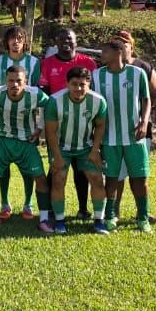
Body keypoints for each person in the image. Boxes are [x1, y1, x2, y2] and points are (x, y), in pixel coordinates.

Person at [93, 38, 153, 233]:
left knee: (140, 178)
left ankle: (143, 218)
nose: (102, 55)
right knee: (111, 178)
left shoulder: (137, 73)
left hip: (135, 137)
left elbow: (146, 99)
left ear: (118, 53)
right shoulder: (97, 75)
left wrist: (144, 122)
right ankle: (110, 216)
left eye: (105, 51)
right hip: (109, 138)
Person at [0, 65, 50, 231]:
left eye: (19, 81)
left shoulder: (36, 94)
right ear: (6, 81)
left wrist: (39, 129)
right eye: (11, 80)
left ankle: (44, 219)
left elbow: (48, 107)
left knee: (40, 178)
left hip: (25, 142)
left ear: (25, 81)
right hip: (0, 141)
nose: (15, 85)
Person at [39, 28, 98, 218]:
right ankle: (49, 209)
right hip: (57, 124)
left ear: (76, 41)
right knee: (56, 167)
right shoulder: (47, 63)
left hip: (83, 123)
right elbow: (45, 93)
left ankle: (83, 208)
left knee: (82, 170)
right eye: (62, 38)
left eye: (70, 38)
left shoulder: (88, 62)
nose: (66, 42)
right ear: (56, 41)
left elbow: (93, 93)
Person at [43, 67, 108, 234]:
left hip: (86, 147)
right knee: (58, 179)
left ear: (89, 84)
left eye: (82, 84)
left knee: (97, 179)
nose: (78, 88)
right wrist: (56, 156)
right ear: (67, 84)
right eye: (74, 84)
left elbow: (100, 126)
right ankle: (59, 221)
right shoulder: (55, 101)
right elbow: (50, 131)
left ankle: (99, 220)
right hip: (61, 147)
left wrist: (95, 150)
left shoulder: (98, 101)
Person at [106, 30, 156, 219]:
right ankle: (114, 210)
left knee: (139, 173)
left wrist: (145, 121)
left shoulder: (142, 67)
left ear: (131, 47)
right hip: (112, 133)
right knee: (116, 175)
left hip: (138, 131)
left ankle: (143, 213)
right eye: (115, 44)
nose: (120, 47)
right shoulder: (104, 70)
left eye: (124, 43)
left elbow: (154, 95)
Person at [0, 26, 42, 219]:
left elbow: (37, 94)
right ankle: (5, 203)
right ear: (7, 42)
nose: (16, 42)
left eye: (19, 38)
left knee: (27, 167)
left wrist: (39, 125)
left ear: (24, 41)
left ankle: (28, 204)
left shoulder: (34, 62)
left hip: (27, 123)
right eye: (12, 38)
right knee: (3, 167)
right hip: (2, 123)